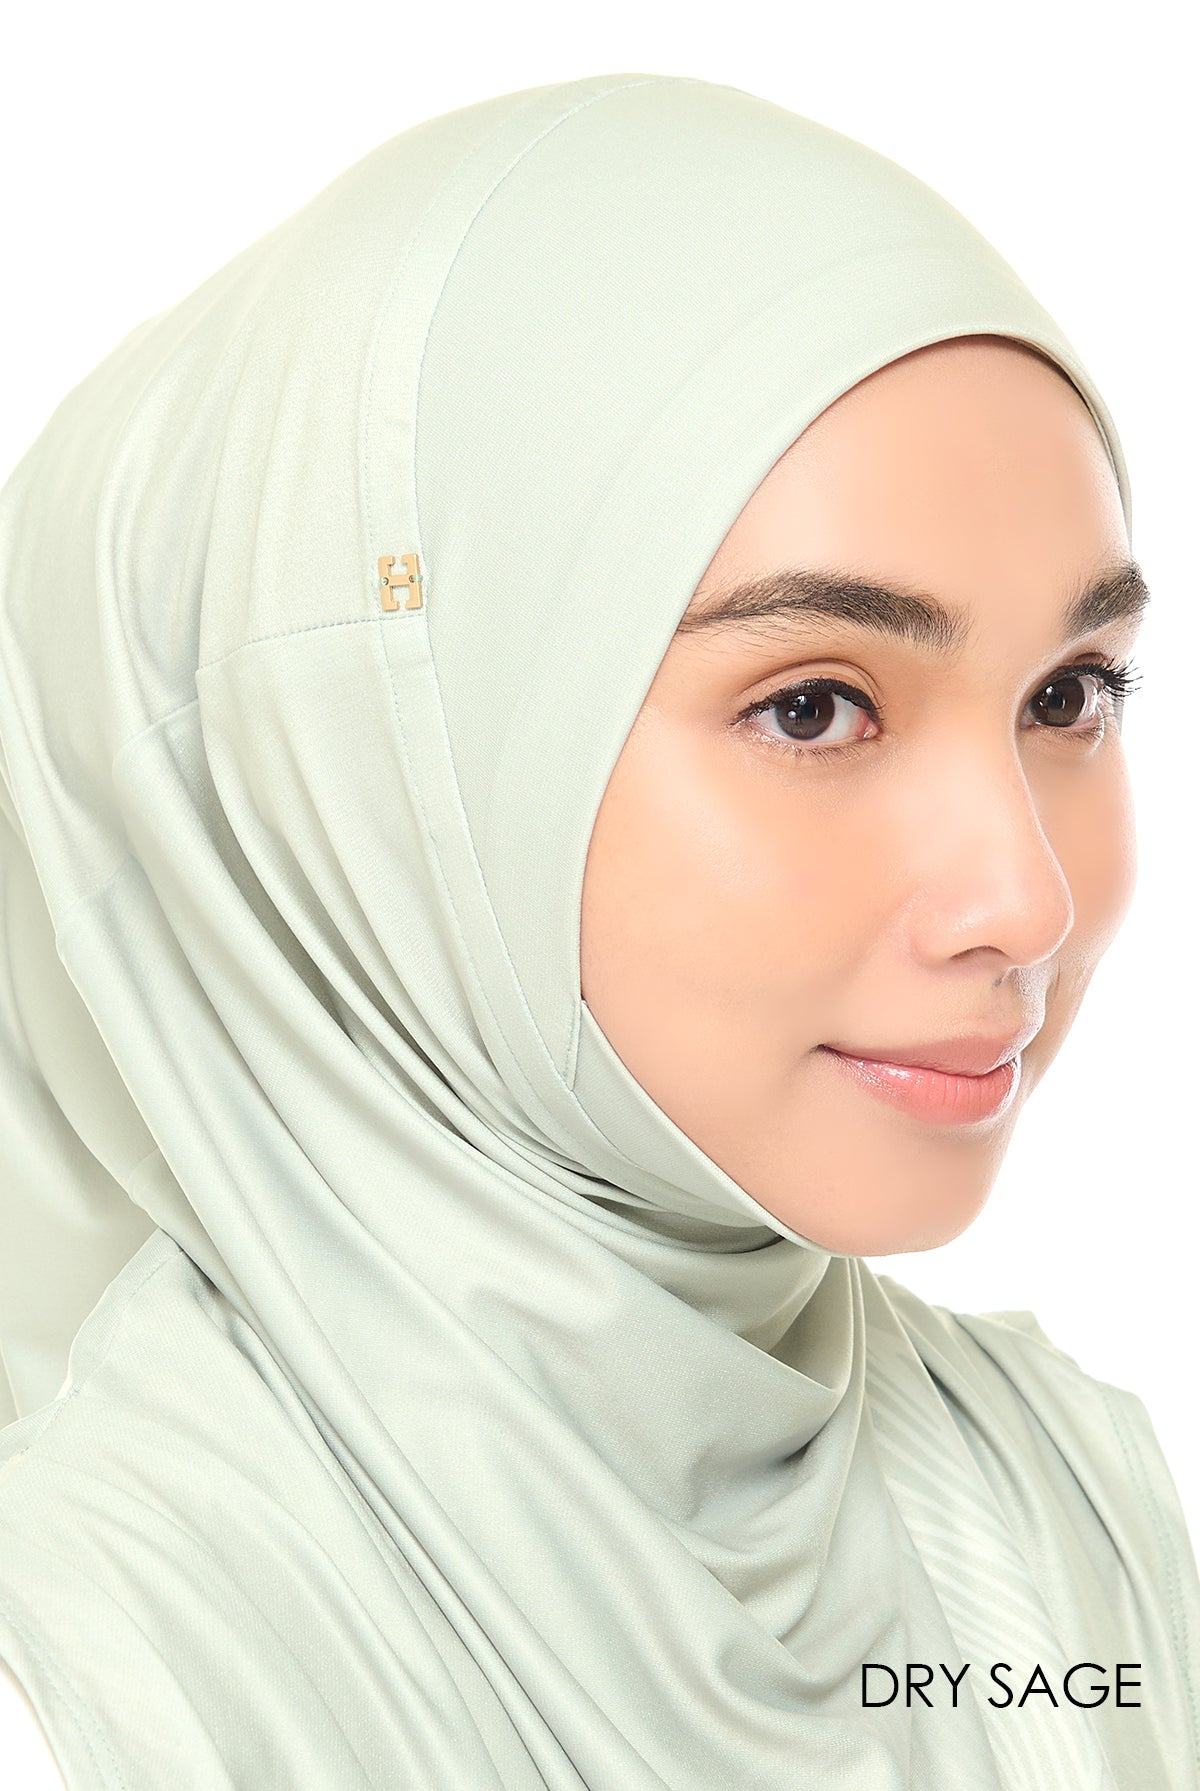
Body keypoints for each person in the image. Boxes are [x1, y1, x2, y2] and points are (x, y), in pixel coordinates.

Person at [0, 70, 1196, 1791]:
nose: (1026, 900)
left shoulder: (1080, 1514)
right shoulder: (93, 1682)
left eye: (1070, 693)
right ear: (369, 769)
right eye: (813, 707)